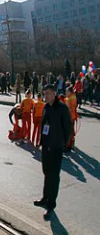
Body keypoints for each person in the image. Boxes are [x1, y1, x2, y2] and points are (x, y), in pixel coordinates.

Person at [35, 84, 72, 220]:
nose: (46, 96)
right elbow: (43, 125)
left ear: (55, 94)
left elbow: (68, 129)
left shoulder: (62, 108)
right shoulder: (46, 107)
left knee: (53, 176)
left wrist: (62, 144)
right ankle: (45, 198)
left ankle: (51, 205)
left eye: (49, 94)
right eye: (45, 94)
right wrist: (41, 142)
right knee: (46, 173)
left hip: (56, 148)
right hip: (46, 147)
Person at [64, 87, 78, 151]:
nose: (66, 93)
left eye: (67, 91)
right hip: (73, 116)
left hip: (69, 117)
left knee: (68, 131)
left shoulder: (68, 99)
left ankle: (68, 146)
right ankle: (71, 144)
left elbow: (68, 109)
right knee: (71, 131)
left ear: (70, 92)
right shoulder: (74, 97)